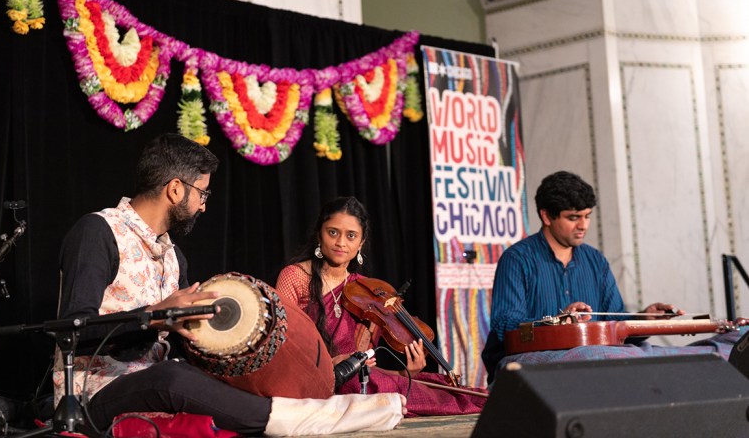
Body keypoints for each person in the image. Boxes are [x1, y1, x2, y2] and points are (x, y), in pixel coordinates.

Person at [54, 134, 404, 436]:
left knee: (205, 372)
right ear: (176, 189)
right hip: (95, 392)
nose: (204, 207)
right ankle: (298, 419)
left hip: (156, 374)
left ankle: (297, 404)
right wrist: (151, 317)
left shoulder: (173, 255)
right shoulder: (98, 232)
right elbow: (72, 331)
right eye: (202, 194)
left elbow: (183, 338)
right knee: (171, 380)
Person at [275, 196, 487, 417]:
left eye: (351, 236)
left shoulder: (365, 293)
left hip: (357, 383)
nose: (341, 242)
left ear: (361, 243)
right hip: (311, 381)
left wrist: (403, 373)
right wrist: (328, 364)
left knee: (437, 391)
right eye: (333, 232)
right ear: (319, 234)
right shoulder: (295, 277)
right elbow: (283, 348)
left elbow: (367, 371)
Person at [481, 170, 684, 381]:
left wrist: (644, 318)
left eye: (587, 216)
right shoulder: (517, 259)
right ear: (546, 216)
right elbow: (506, 324)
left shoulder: (595, 260)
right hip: (531, 366)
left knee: (648, 352)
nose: (583, 226)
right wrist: (557, 323)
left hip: (593, 365)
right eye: (573, 218)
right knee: (598, 357)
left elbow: (614, 322)